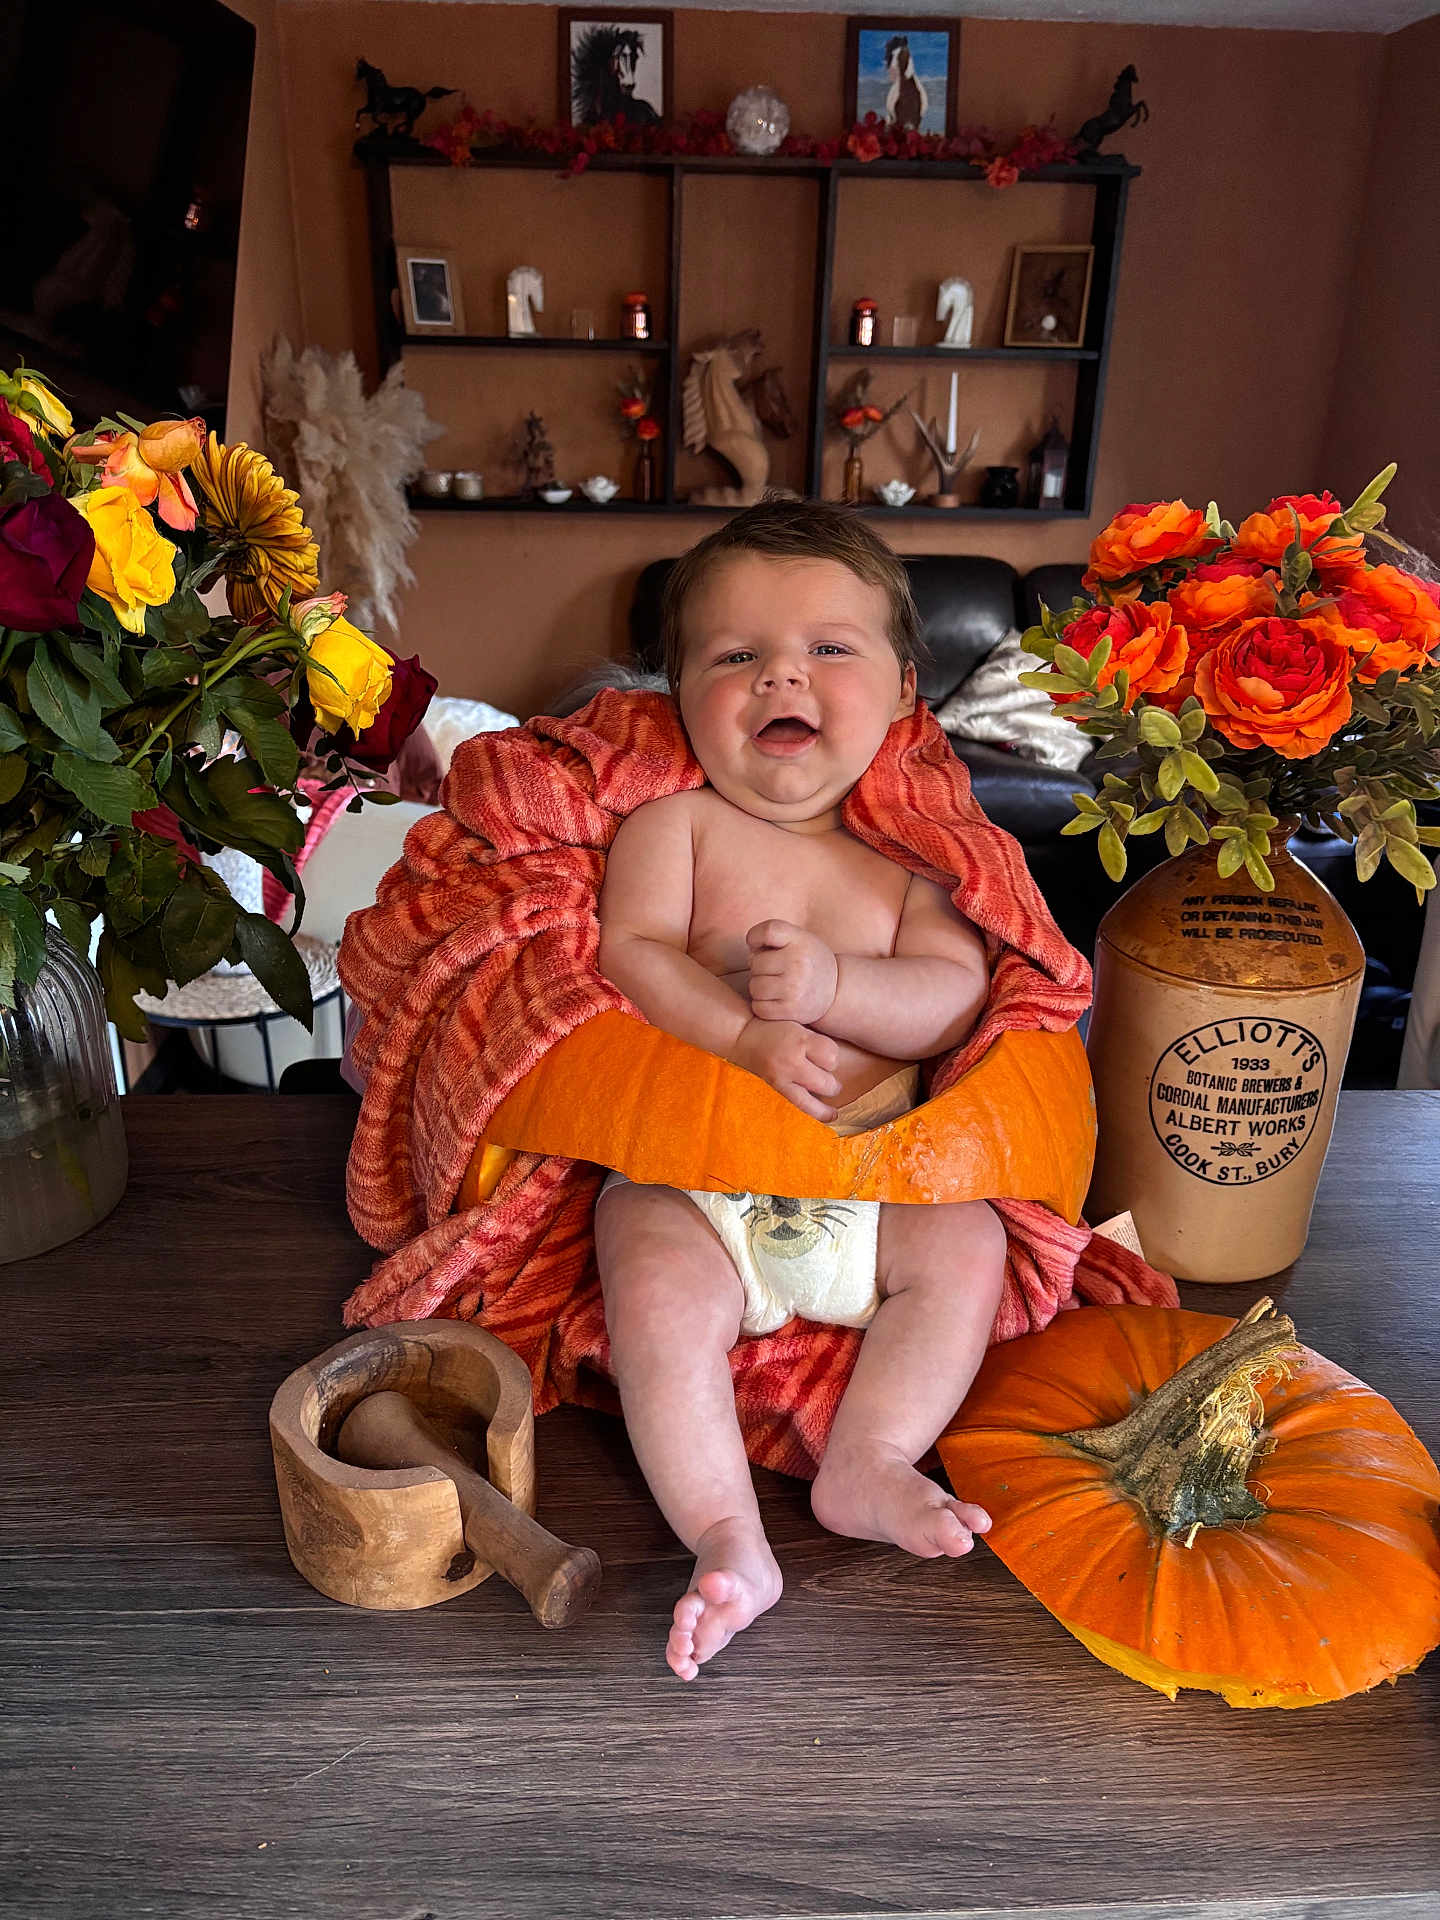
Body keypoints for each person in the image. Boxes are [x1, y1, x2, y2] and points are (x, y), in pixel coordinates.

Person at [594, 498, 1008, 1681]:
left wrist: (833, 984)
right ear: (677, 693)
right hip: (703, 1181)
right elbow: (633, 953)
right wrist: (739, 1035)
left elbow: (950, 997)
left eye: (831, 647)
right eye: (735, 656)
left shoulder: (915, 857)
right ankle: (726, 1529)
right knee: (640, 1249)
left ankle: (869, 1457)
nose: (784, 673)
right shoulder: (673, 827)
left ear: (904, 690)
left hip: (875, 1186)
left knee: (968, 1240)